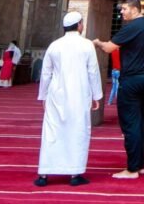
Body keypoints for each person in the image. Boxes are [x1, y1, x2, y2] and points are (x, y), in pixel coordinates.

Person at [93, 0, 144, 180]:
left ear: (134, 9)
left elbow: (109, 48)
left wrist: (98, 43)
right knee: (140, 122)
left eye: (124, 9)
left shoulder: (131, 27)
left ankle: (131, 169)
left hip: (132, 80)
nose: (121, 12)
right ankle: (139, 164)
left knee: (130, 124)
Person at [35, 12, 103, 187]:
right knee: (77, 132)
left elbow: (46, 72)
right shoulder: (87, 45)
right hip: (79, 95)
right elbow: (93, 72)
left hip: (56, 95)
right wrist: (97, 96)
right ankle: (74, 174)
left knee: (52, 132)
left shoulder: (54, 45)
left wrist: (43, 95)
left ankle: (44, 174)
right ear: (79, 25)